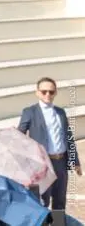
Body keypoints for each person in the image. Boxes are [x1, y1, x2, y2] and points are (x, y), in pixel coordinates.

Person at [18, 77, 81, 212]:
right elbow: (20, 137)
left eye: (51, 92)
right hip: (42, 163)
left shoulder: (60, 112)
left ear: (55, 93)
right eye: (44, 91)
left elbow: (68, 137)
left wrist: (75, 161)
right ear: (37, 93)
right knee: (42, 201)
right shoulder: (29, 112)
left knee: (60, 201)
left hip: (61, 162)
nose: (48, 95)